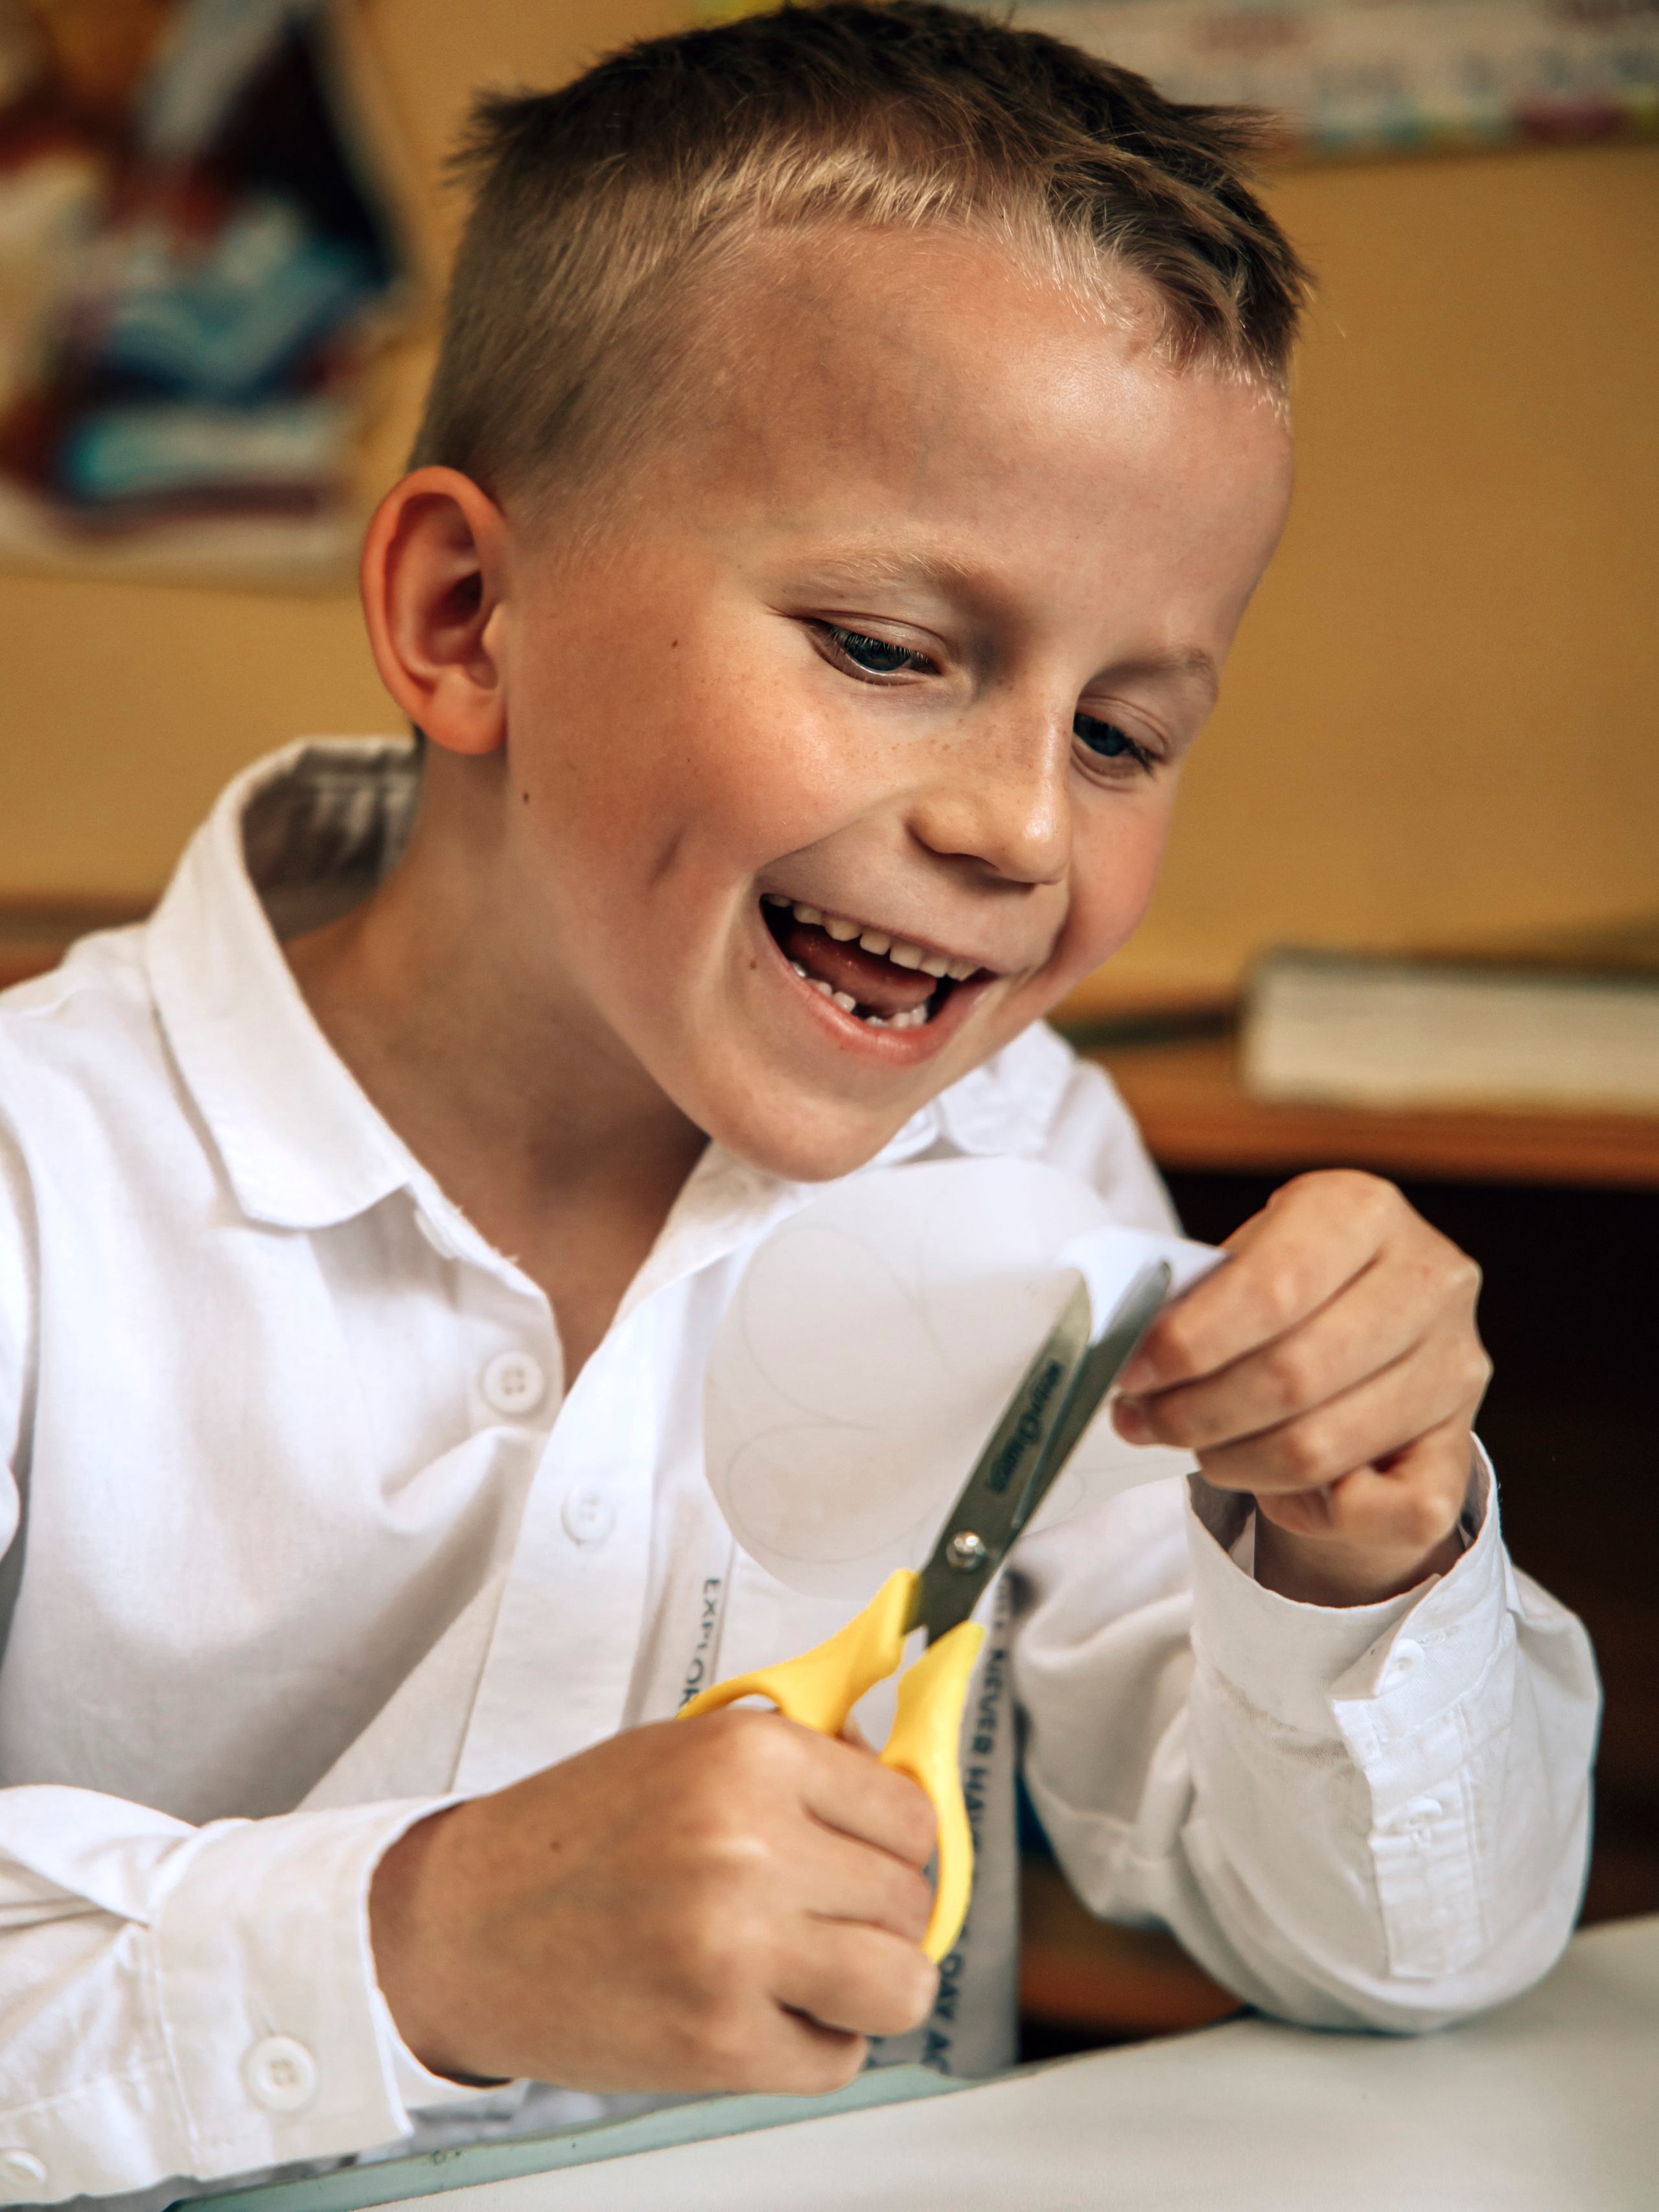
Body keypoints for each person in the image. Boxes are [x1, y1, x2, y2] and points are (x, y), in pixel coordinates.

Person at [0, 4, 1597, 2201]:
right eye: (886, 647)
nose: (1029, 834)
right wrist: (414, 1942)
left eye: (1125, 735)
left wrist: (1359, 1553)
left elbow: (1415, 1961)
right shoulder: (38, 1184)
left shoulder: (1028, 1161)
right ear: (469, 615)